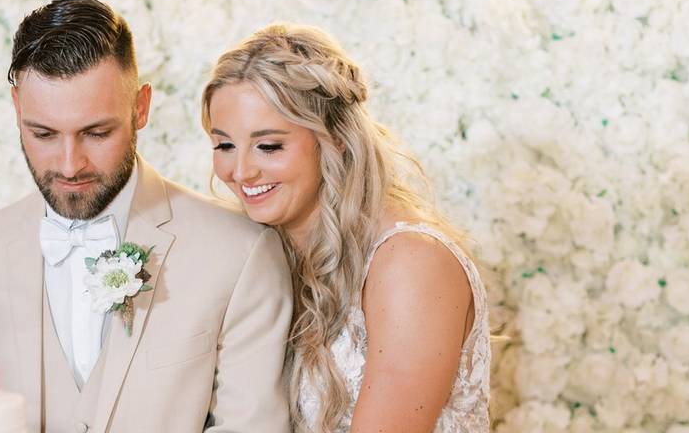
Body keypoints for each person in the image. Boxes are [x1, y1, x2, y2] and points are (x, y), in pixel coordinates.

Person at [0, 0, 293, 433]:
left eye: (96, 132)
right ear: (16, 108)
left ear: (140, 107)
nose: (70, 164)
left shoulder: (240, 253)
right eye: (43, 134)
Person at [201, 23, 490, 433]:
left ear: (334, 138)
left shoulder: (411, 263)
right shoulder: (261, 254)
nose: (242, 170)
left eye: (269, 146)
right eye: (224, 145)